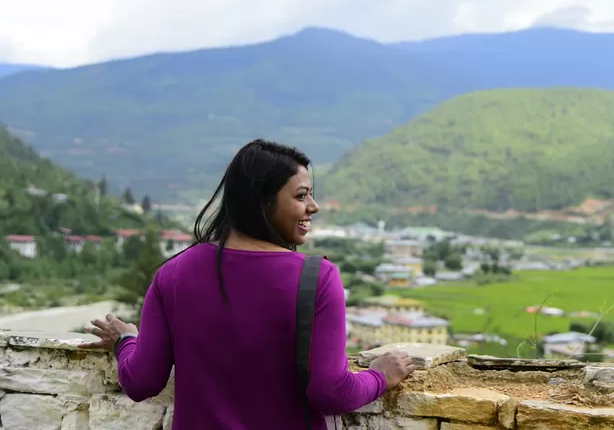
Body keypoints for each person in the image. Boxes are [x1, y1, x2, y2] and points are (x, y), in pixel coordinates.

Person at [78, 139, 415, 428]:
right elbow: (331, 391)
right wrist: (380, 375)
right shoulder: (317, 279)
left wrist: (125, 340)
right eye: (301, 196)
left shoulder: (173, 274)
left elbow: (141, 381)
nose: (313, 206)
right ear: (262, 201)